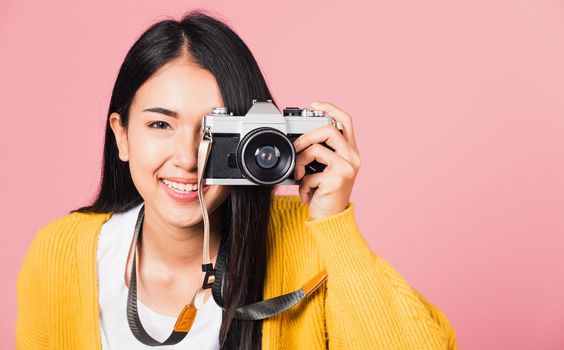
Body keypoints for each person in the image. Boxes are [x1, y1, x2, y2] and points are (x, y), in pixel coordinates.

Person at [16, 11, 458, 350]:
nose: (189, 159)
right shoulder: (62, 253)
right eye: (160, 125)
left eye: (212, 131)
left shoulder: (309, 241)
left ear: (253, 140)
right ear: (122, 136)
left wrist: (334, 222)